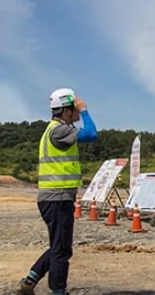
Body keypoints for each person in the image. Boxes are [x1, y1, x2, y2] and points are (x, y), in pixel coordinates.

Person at [17, 88, 97, 295]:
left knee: (58, 245)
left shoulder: (54, 129)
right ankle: (58, 291)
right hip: (57, 197)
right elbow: (91, 134)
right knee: (61, 250)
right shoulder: (59, 130)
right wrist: (86, 111)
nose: (78, 112)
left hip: (54, 197)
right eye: (75, 108)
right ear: (66, 111)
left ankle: (30, 281)